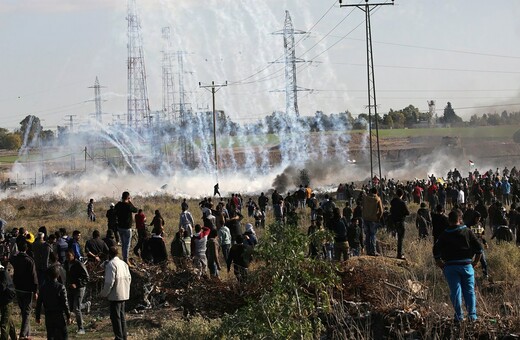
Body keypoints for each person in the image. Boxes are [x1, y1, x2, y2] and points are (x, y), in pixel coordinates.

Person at [433, 209, 483, 321]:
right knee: (469, 291)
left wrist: (440, 263)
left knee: (455, 291)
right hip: (466, 265)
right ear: (459, 220)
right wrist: (475, 262)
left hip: (450, 267)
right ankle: (472, 316)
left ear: (449, 221)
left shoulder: (444, 234)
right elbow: (479, 249)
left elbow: (436, 251)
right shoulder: (467, 231)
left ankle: (459, 316)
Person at [100, 247, 131, 340]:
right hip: (123, 293)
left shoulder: (111, 265)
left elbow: (109, 282)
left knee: (115, 317)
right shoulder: (123, 263)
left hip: (115, 295)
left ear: (109, 254)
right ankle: (123, 336)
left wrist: (104, 293)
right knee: (122, 317)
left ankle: (119, 337)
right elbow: (129, 278)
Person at [10, 239, 38, 340]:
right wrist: (35, 291)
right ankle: (22, 335)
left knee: (24, 312)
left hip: (18, 288)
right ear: (26, 249)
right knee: (27, 313)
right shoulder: (30, 260)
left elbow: (10, 258)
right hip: (27, 290)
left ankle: (27, 334)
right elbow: (34, 277)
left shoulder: (14, 259)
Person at [35, 266, 72, 340]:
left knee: (50, 335)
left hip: (48, 315)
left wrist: (37, 316)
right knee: (63, 335)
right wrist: (68, 316)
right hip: (59, 315)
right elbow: (65, 303)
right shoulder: (61, 287)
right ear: (58, 276)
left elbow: (38, 303)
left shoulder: (43, 288)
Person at [64, 249, 90, 335]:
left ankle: (81, 328)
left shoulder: (79, 264)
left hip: (80, 288)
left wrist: (77, 284)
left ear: (73, 256)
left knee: (76, 308)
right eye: (66, 256)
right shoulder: (66, 264)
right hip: (70, 287)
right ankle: (86, 305)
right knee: (71, 307)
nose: (67, 258)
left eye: (69, 256)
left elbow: (87, 278)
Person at [114, 191, 138, 262]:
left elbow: (114, 211)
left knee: (123, 244)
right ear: (128, 197)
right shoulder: (128, 205)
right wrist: (130, 202)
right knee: (127, 245)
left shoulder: (118, 205)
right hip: (127, 228)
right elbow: (135, 210)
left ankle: (124, 257)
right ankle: (125, 259)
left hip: (120, 227)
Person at [362, 187, 384, 256]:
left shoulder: (365, 198)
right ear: (376, 192)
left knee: (367, 235)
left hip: (365, 219)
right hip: (373, 220)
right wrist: (378, 218)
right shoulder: (377, 199)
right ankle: (374, 251)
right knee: (373, 235)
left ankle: (368, 251)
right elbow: (381, 211)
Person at [390, 188, 410, 259]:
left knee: (397, 237)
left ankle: (399, 252)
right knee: (400, 238)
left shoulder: (393, 202)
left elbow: (391, 211)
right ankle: (399, 254)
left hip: (394, 222)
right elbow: (407, 212)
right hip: (400, 221)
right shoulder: (402, 203)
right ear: (402, 194)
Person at [0, 261, 17, 340]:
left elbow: (2, 288)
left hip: (7, 302)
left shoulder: (3, 274)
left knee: (4, 325)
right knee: (9, 322)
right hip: (4, 301)